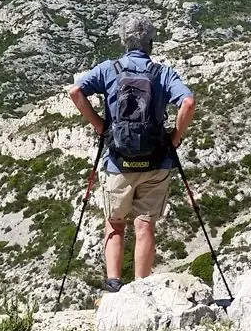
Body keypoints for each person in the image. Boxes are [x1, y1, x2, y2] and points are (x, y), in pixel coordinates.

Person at [65, 15, 195, 294]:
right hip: (156, 160)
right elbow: (188, 102)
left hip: (118, 162)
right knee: (145, 226)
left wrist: (100, 125)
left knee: (114, 225)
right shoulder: (162, 73)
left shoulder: (108, 69)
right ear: (150, 42)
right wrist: (176, 136)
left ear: (123, 42)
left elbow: (75, 92)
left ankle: (113, 285)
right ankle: (140, 288)